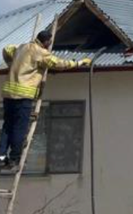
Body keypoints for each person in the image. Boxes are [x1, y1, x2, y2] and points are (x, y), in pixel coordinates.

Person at [1, 31, 91, 170]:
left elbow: (6, 49)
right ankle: (14, 159)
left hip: (8, 94)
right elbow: (59, 63)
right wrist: (78, 62)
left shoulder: (22, 47)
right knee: (19, 128)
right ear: (47, 42)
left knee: (7, 126)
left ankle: (1, 157)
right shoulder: (41, 52)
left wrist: (11, 64)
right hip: (23, 96)